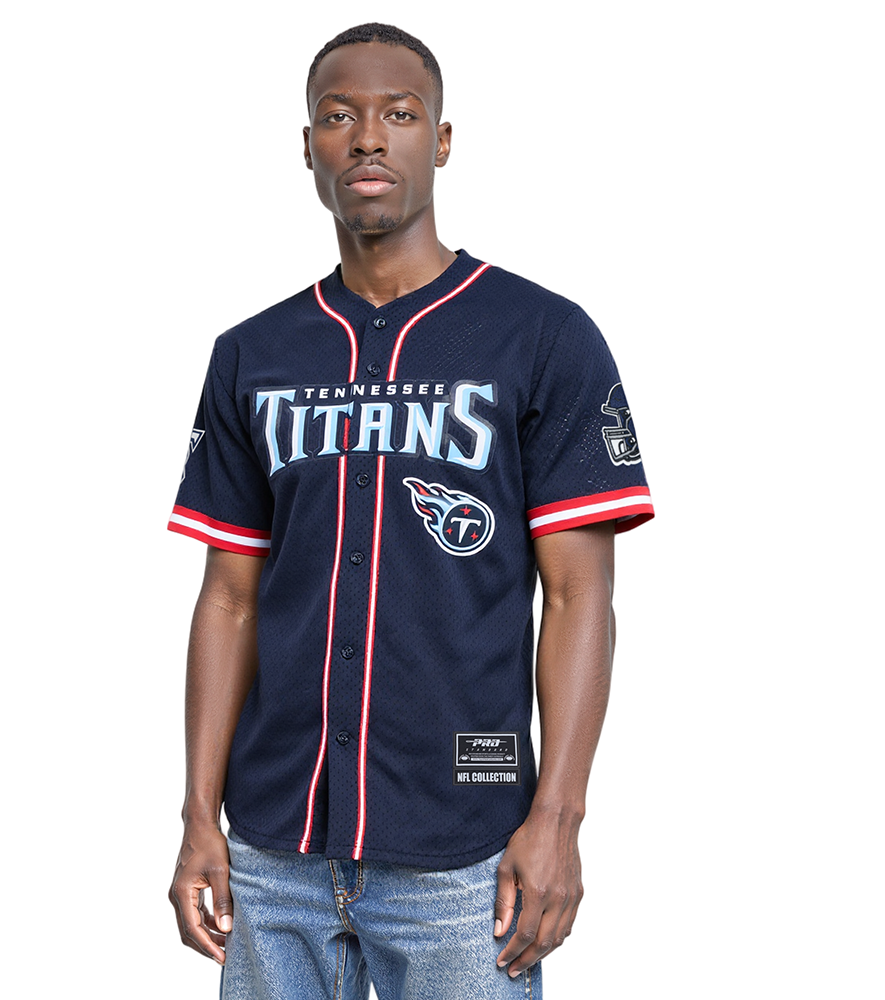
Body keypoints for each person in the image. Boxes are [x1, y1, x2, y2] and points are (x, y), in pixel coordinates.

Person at [167, 22, 653, 999]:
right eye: (338, 117)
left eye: (399, 113)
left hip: (464, 856)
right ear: (308, 147)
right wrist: (196, 818)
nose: (367, 138)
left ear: (442, 140)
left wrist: (557, 819)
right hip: (274, 851)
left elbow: (579, 599)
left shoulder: (542, 336)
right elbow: (227, 598)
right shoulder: (252, 354)